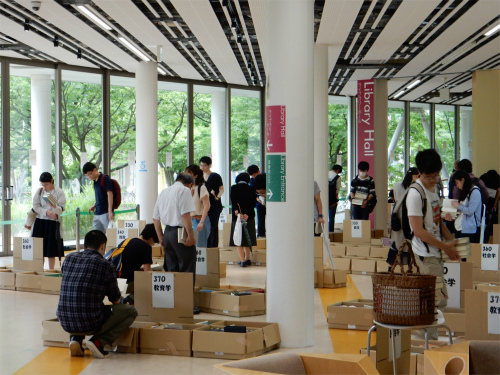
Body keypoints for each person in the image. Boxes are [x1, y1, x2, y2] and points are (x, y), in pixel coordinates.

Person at [56, 230, 138, 359]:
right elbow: (115, 300)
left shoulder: (69, 258)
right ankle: (98, 342)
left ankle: (75, 339)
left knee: (78, 300)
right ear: (103, 247)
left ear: (84, 246)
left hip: (64, 320)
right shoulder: (106, 265)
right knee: (130, 311)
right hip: (91, 322)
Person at [407, 149, 459, 340]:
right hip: (425, 253)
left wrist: (450, 239)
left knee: (437, 297)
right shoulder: (415, 194)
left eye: (436, 175)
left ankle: (426, 332)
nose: (433, 179)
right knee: (435, 298)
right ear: (419, 172)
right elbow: (418, 231)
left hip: (436, 251)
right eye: (429, 176)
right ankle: (429, 337)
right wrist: (445, 246)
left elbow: (438, 221)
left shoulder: (434, 189)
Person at [153, 172, 196, 281]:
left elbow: (155, 218)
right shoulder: (184, 190)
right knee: (186, 267)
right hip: (180, 233)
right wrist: (190, 235)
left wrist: (160, 237)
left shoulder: (164, 192)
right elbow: (185, 214)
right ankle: (185, 296)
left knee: (171, 269)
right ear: (189, 184)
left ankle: (173, 296)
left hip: (167, 233)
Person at [31, 172, 66, 270]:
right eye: (42, 184)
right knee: (38, 249)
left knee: (51, 250)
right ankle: (38, 270)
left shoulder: (59, 192)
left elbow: (62, 208)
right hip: (40, 221)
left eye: (46, 184)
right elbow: (35, 207)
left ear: (51, 181)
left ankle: (51, 271)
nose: (44, 186)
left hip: (53, 223)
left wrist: (54, 207)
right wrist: (46, 212)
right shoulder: (39, 191)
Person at [118, 223, 158, 304]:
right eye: (155, 242)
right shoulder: (146, 247)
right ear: (151, 238)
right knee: (148, 282)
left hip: (116, 281)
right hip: (126, 284)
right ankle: (129, 299)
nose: (154, 245)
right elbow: (147, 274)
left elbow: (128, 264)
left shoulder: (127, 241)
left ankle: (123, 299)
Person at [229, 173, 257, 267]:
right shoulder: (251, 189)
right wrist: (247, 214)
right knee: (247, 238)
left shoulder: (234, 188)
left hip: (237, 217)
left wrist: (239, 213)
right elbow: (253, 203)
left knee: (238, 238)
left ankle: (242, 260)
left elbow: (233, 201)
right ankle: (248, 259)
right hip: (249, 216)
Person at [450, 169, 482, 243]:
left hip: (469, 229)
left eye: (457, 183)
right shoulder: (465, 192)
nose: (457, 186)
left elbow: (470, 211)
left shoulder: (475, 192)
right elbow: (462, 211)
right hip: (459, 227)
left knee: (467, 253)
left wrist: (458, 206)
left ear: (463, 180)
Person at [82, 162, 114, 233]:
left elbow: (110, 194)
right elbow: (100, 196)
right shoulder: (95, 182)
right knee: (96, 236)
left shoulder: (105, 178)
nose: (89, 177)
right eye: (87, 176)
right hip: (97, 213)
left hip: (105, 212)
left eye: (90, 174)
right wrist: (94, 206)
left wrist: (110, 211)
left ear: (95, 170)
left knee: (109, 235)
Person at [199, 156, 224, 247]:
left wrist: (217, 197)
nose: (202, 168)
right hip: (203, 205)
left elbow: (222, 189)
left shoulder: (215, 176)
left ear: (209, 165)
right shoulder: (200, 177)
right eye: (201, 165)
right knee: (204, 226)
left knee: (213, 226)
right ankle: (205, 245)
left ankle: (213, 247)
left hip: (214, 204)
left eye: (204, 165)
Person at [185, 165, 211, 247]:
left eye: (189, 173)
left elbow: (206, 206)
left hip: (199, 219)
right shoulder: (187, 189)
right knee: (191, 247)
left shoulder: (201, 188)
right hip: (190, 220)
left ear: (195, 176)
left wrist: (202, 222)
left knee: (200, 247)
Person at [480, 169, 500, 242]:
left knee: (490, 217)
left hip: (488, 200)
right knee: (489, 217)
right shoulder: (485, 177)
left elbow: (498, 190)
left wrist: (495, 203)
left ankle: (490, 233)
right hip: (488, 200)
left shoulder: (496, 178)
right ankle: (489, 233)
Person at [247, 164, 266, 237]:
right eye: (252, 175)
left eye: (254, 174)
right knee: (260, 220)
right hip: (259, 203)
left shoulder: (265, 177)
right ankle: (261, 235)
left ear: (258, 171)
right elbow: (252, 192)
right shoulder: (252, 180)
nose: (253, 177)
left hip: (268, 202)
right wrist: (257, 198)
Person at [328, 165, 342, 232]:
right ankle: (330, 233)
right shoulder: (338, 178)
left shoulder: (325, 174)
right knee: (331, 218)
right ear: (337, 170)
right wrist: (335, 200)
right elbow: (337, 191)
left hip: (323, 199)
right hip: (332, 200)